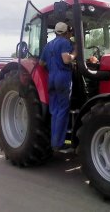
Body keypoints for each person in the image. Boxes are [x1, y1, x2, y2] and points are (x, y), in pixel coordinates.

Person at [39, 22, 77, 152]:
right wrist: (75, 53)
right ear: (66, 32)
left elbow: (41, 62)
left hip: (51, 78)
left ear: (55, 31)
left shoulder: (48, 45)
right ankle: (59, 143)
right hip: (63, 78)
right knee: (63, 109)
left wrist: (52, 65)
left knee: (54, 110)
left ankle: (53, 140)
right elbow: (67, 59)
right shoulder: (65, 42)